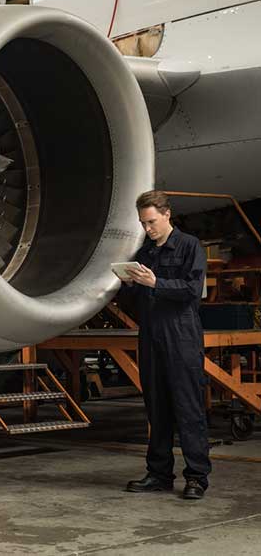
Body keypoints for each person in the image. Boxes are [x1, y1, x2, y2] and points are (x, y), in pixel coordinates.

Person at [119, 190, 211, 499]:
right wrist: (128, 284)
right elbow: (135, 302)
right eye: (143, 223)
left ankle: (197, 477)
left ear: (167, 214)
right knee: (156, 408)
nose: (148, 229)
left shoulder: (190, 247)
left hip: (181, 336)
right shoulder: (145, 253)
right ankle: (159, 473)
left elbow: (192, 290)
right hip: (151, 336)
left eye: (152, 222)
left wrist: (156, 283)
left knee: (188, 407)